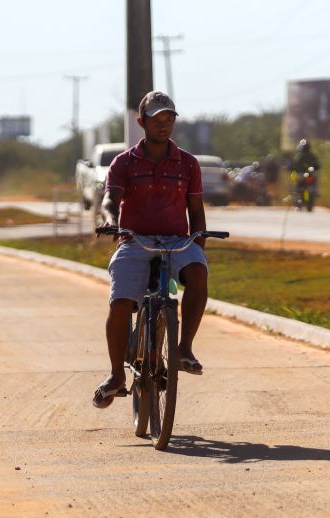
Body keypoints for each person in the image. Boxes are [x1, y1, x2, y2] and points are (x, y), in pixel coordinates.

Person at [92, 90, 209, 409]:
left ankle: (183, 349)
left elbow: (195, 210)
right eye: (157, 118)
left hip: (176, 242)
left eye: (169, 118)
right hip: (135, 239)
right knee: (120, 303)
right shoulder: (124, 162)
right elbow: (110, 199)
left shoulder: (187, 163)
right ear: (141, 122)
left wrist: (198, 243)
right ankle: (117, 376)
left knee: (199, 272)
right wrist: (109, 220)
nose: (164, 124)